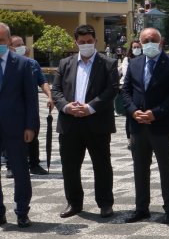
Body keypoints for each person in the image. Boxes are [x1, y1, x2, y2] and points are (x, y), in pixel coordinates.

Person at [51, 24, 118, 219]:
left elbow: (111, 90)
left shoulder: (108, 63)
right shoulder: (65, 63)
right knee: (70, 166)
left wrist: (89, 107)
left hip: (96, 123)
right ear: (76, 42)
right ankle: (74, 203)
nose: (86, 45)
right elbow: (56, 91)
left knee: (102, 165)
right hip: (69, 123)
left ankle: (105, 203)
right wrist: (66, 106)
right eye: (82, 42)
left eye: (89, 42)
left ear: (96, 41)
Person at [119, 28, 169, 224]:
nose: (149, 43)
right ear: (139, 41)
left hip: (162, 124)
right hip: (138, 124)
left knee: (166, 167)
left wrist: (155, 113)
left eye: (153, 40)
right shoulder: (134, 62)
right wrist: (132, 111)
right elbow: (126, 90)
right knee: (140, 167)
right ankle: (141, 208)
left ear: (161, 41)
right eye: (145, 40)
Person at [0, 23, 39, 227]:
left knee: (21, 171)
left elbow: (31, 98)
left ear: (8, 41)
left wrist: (30, 126)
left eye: (1, 40)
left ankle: (22, 211)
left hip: (16, 127)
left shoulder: (23, 64)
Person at [9, 35, 53, 175]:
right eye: (18, 45)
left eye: (22, 44)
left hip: (30, 107)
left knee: (33, 135)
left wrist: (50, 96)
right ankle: (11, 166)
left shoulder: (32, 63)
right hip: (12, 108)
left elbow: (42, 81)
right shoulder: (5, 64)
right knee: (12, 137)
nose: (22, 47)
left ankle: (34, 164)